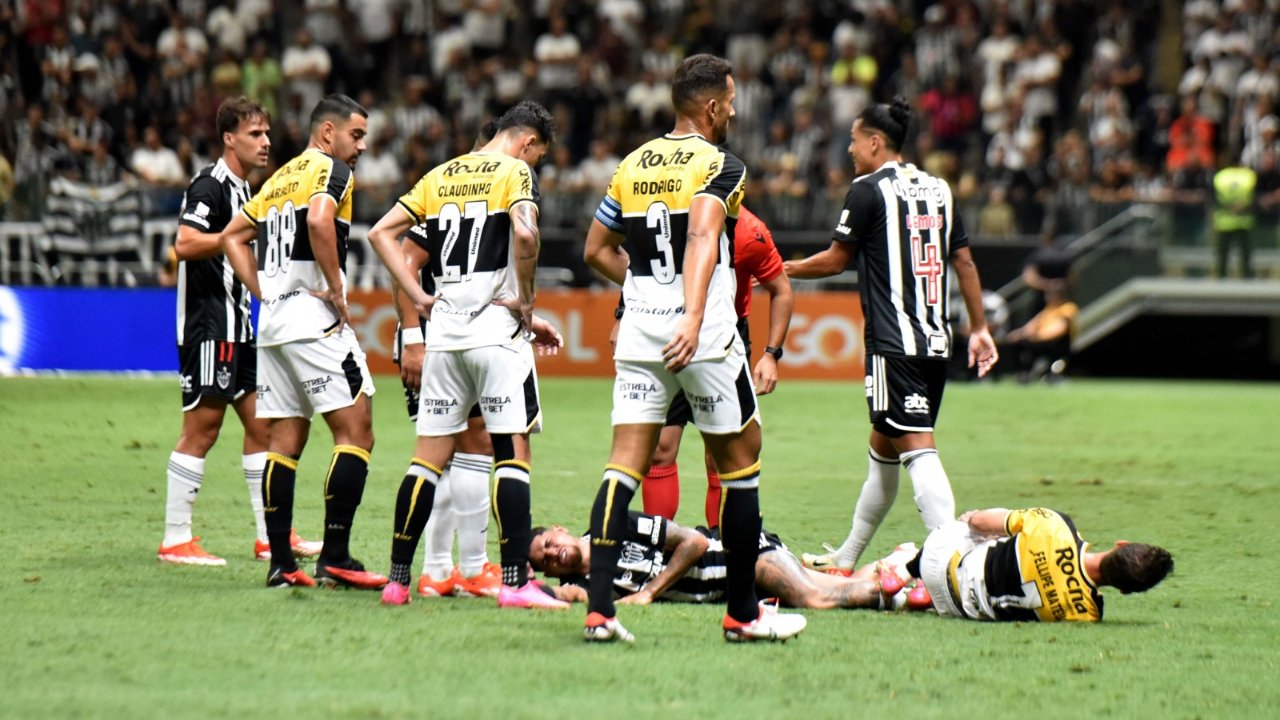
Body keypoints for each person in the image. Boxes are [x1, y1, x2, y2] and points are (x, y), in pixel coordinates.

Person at [581, 54, 806, 643]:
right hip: (699, 337)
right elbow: (704, 234)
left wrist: (642, 289)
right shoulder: (722, 165)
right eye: (729, 101)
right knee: (742, 460)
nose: (732, 109)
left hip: (639, 332)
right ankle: (742, 615)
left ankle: (601, 613)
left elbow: (595, 250)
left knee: (622, 463)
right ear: (710, 106)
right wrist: (692, 312)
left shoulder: (632, 164)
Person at [782, 97, 998, 577]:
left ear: (875, 142)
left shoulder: (867, 191)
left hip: (893, 345)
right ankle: (846, 557)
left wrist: (783, 268)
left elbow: (837, 260)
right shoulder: (940, 190)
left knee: (918, 450)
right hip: (935, 343)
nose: (851, 152)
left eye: (855, 142)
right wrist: (979, 329)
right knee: (884, 448)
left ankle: (958, 564)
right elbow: (963, 261)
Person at [364, 100, 568, 610]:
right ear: (527, 143)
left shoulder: (442, 174)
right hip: (496, 335)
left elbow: (379, 234)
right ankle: (516, 583)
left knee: (426, 461)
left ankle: (396, 581)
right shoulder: (514, 174)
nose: (535, 164)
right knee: (511, 455)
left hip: (445, 337)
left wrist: (419, 295)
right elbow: (524, 232)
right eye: (538, 155)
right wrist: (526, 303)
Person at [219, 94, 386, 590]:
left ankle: (281, 562)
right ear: (329, 132)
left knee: (285, 439)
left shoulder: (279, 178)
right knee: (357, 429)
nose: (360, 148)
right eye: (356, 136)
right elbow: (318, 220)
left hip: (273, 323)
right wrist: (337, 290)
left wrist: (265, 293)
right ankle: (335, 556)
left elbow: (232, 237)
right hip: (313, 319)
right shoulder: (333, 173)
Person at [158, 96, 321, 566]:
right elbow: (184, 244)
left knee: (263, 428)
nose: (266, 142)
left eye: (267, 133)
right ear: (229, 138)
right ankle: (175, 538)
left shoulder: (249, 192)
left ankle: (272, 537)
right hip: (209, 327)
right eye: (255, 134)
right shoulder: (209, 186)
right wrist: (234, 237)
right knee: (202, 430)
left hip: (241, 328)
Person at [392, 120, 502, 599]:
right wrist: (414, 337)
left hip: (447, 335)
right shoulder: (455, 186)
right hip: (442, 337)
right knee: (464, 447)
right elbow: (405, 261)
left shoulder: (454, 184)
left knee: (457, 450)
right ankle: (461, 567)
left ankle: (444, 569)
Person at [635, 205, 794, 527]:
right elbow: (640, 268)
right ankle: (657, 546)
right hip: (671, 333)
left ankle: (722, 547)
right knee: (659, 449)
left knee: (721, 455)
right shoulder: (672, 217)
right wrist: (623, 314)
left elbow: (782, 290)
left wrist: (771, 354)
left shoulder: (750, 231)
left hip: (723, 339)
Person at [529, 512, 930, 612]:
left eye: (547, 542)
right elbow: (553, 597)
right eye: (545, 560)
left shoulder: (614, 524)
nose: (552, 553)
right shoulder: (588, 585)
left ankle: (904, 591)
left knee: (815, 599)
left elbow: (695, 542)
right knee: (829, 587)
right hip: (733, 588)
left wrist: (650, 592)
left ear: (561, 529)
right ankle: (899, 563)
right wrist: (515, 580)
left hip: (744, 556)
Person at [907, 507, 1173, 622]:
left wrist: (971, 519)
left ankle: (904, 565)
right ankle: (908, 593)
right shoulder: (1086, 614)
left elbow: (979, 522)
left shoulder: (1056, 526)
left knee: (1000, 522)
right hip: (955, 607)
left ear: (1121, 544)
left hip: (942, 558)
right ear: (1125, 590)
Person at [1212, 160, 1258, 278]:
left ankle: (1221, 283)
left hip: (1224, 222)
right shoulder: (1249, 176)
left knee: (1223, 258)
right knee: (1246, 257)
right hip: (1244, 221)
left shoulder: (1219, 176)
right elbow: (1255, 196)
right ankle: (1248, 284)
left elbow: (1214, 198)